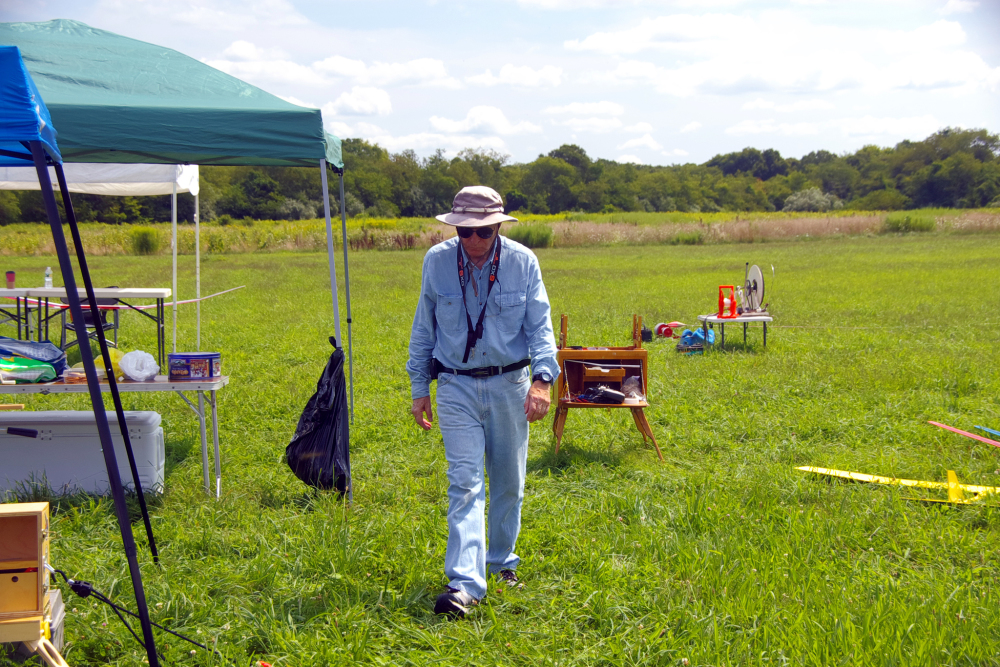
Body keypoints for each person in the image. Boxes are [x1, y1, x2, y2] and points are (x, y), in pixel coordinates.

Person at [406, 185, 559, 618]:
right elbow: (424, 327)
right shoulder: (436, 263)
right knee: (465, 483)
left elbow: (540, 327)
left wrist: (543, 381)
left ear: (498, 227)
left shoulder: (523, 262)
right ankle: (466, 585)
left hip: (510, 383)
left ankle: (501, 562)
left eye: (484, 232)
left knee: (508, 482)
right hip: (454, 386)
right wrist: (420, 387)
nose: (473, 241)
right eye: (465, 232)